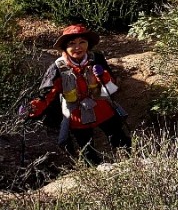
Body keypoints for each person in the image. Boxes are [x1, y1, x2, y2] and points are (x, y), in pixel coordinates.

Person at [23, 25, 131, 165]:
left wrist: (102, 76)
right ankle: (94, 173)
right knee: (86, 149)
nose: (78, 47)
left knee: (119, 138)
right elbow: (48, 93)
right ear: (64, 48)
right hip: (77, 113)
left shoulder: (96, 58)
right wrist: (32, 109)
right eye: (72, 43)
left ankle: (131, 162)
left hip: (102, 107)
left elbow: (111, 84)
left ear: (88, 44)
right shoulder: (57, 68)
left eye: (82, 42)